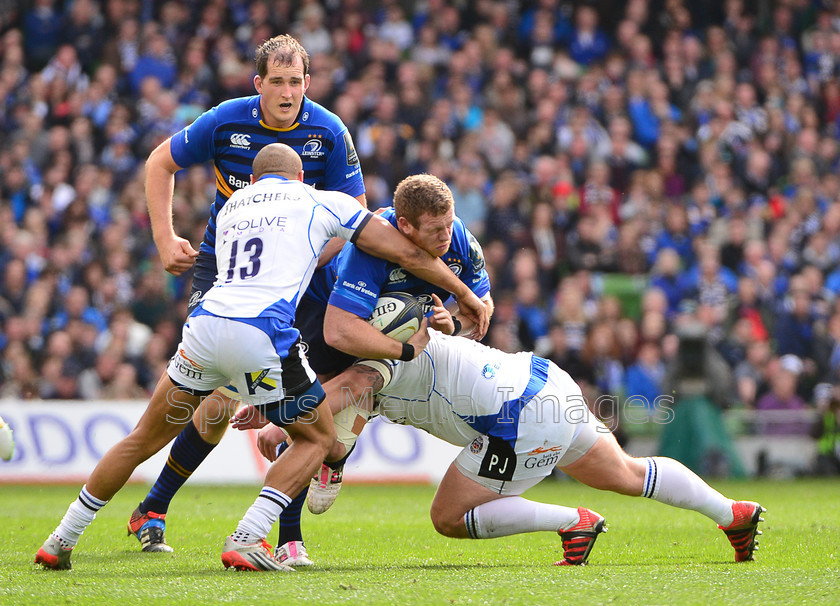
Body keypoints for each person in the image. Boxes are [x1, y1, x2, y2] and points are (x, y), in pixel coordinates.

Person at [35, 143, 487, 571]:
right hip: (262, 333)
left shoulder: (232, 206)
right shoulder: (320, 200)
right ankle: (248, 538)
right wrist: (462, 297)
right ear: (301, 176)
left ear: (251, 179)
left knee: (140, 440)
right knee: (317, 440)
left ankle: (61, 538)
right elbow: (404, 250)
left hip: (205, 328)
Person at [128, 34, 378, 553]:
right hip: (225, 269)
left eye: (296, 82)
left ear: (307, 84)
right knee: (215, 397)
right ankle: (155, 507)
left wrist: (304, 257)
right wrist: (163, 237)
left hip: (304, 277)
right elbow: (159, 163)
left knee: (300, 406)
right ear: (258, 83)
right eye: (277, 82)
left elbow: (354, 213)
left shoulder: (329, 131)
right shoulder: (224, 120)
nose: (287, 93)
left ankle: (284, 538)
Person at [236, 328, 766, 565]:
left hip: (516, 419)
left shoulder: (376, 349)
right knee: (628, 474)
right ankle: (732, 512)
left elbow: (347, 390)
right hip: (546, 381)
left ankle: (572, 521)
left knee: (447, 516)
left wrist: (278, 419)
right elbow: (344, 413)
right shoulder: (396, 330)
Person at [269, 173, 495, 566]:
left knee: (359, 386)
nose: (445, 236)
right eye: (434, 229)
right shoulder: (370, 247)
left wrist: (453, 324)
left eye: (448, 224)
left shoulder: (459, 237)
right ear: (404, 226)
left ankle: (333, 451)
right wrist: (405, 350)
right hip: (329, 313)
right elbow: (339, 332)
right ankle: (290, 539)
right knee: (310, 424)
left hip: (397, 331)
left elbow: (482, 308)